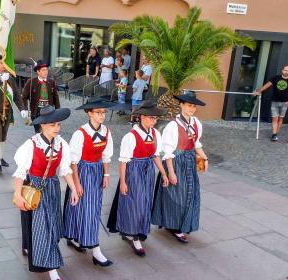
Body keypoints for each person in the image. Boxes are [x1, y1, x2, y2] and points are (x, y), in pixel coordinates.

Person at [13, 105, 79, 280]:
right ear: (43, 126)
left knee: (53, 224)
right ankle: (52, 270)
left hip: (52, 188)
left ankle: (40, 252)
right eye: (52, 125)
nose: (57, 128)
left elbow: (65, 170)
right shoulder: (31, 144)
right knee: (44, 226)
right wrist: (18, 194)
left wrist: (73, 188)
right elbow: (20, 172)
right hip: (35, 188)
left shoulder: (62, 144)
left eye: (58, 124)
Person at [107, 100, 169, 256]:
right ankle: (134, 236)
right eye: (151, 118)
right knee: (135, 203)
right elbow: (123, 161)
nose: (154, 121)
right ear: (141, 117)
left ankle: (138, 230)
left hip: (148, 171)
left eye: (155, 118)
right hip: (134, 171)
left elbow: (155, 155)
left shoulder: (155, 134)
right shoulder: (131, 136)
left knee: (146, 202)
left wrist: (163, 173)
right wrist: (123, 182)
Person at [152, 91, 209, 244]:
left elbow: (196, 144)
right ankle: (175, 226)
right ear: (181, 105)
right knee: (177, 196)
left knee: (190, 194)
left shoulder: (196, 123)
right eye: (189, 105)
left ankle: (183, 223)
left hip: (189, 162)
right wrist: (171, 172)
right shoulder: (173, 125)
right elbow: (168, 151)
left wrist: (204, 157)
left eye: (194, 106)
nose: (192, 109)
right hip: (175, 162)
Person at [64, 97, 115, 266]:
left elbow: (106, 156)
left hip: (98, 171)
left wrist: (106, 175)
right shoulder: (80, 134)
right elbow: (74, 162)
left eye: (104, 112)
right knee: (85, 208)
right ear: (89, 113)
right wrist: (77, 184)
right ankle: (96, 249)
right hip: (83, 172)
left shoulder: (106, 131)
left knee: (93, 208)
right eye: (98, 112)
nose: (102, 116)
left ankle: (77, 238)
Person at [0, 53, 28, 174]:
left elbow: (16, 96)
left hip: (8, 111)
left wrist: (22, 109)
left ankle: (0, 157)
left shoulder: (10, 78)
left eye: (4, 63)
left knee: (3, 137)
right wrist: (0, 80)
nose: (3, 65)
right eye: (0, 63)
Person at [253, 65, 288, 142]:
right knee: (275, 118)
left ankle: (276, 133)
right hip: (274, 102)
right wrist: (258, 91)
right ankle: (274, 134)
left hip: (284, 103)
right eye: (285, 70)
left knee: (281, 118)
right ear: (282, 70)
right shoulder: (276, 78)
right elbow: (267, 85)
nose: (286, 72)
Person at [22, 60, 61, 133]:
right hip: (36, 112)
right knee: (38, 132)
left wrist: (58, 111)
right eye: (43, 70)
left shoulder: (51, 82)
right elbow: (24, 97)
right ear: (38, 71)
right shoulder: (31, 82)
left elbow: (56, 97)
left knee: (48, 132)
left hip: (49, 111)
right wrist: (25, 109)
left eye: (46, 69)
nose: (46, 72)